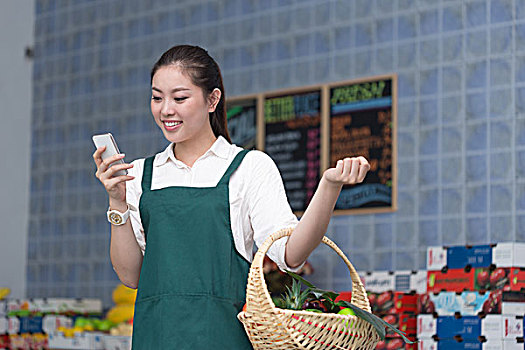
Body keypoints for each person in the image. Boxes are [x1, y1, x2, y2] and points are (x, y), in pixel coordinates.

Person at [93, 45, 370, 349]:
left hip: (223, 338)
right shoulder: (140, 175)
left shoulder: (250, 167)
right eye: (157, 98)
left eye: (180, 98)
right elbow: (131, 276)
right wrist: (117, 202)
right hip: (156, 338)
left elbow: (292, 255)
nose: (165, 110)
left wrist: (328, 187)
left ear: (212, 99)